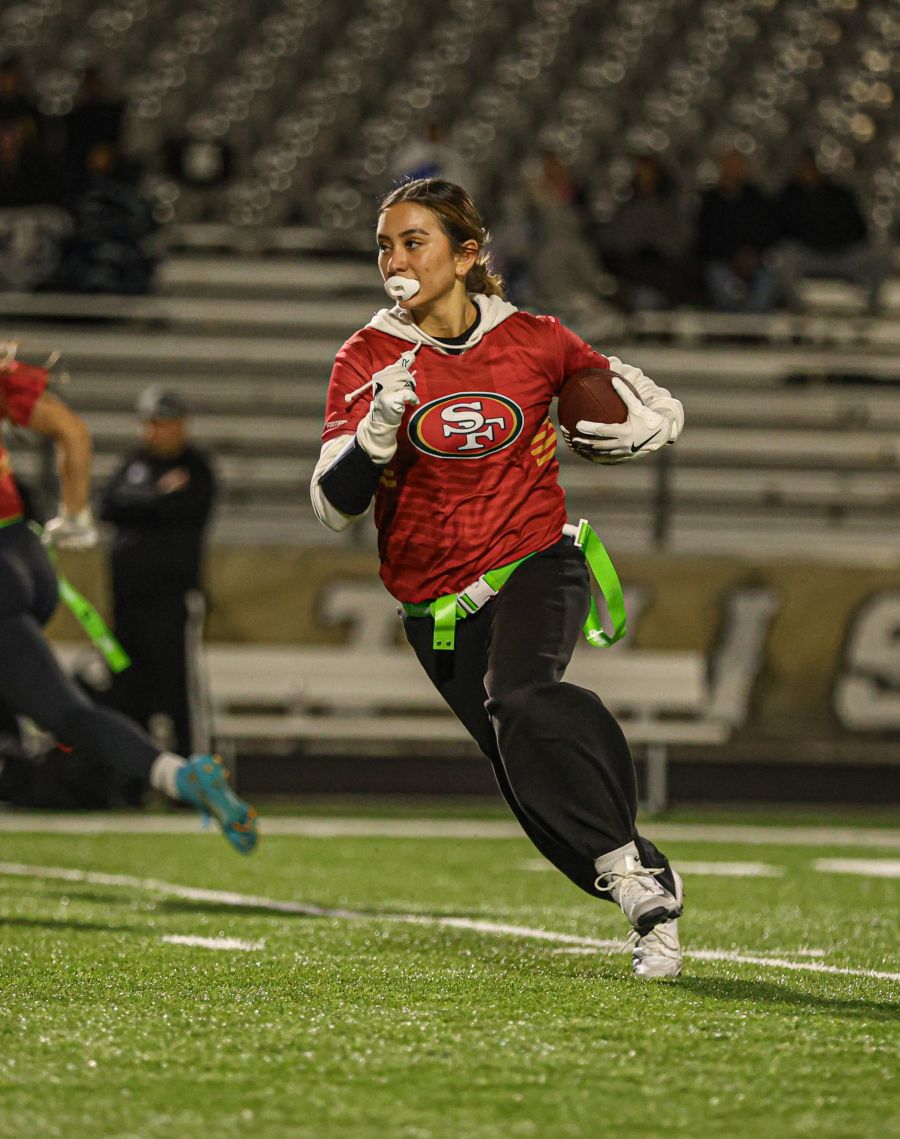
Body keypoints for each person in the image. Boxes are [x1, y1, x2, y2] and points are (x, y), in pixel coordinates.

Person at [310, 178, 686, 979]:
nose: (395, 259)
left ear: (468, 253)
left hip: (535, 558)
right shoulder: (366, 355)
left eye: (414, 241)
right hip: (433, 606)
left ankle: (636, 884)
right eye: (385, 244)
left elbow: (616, 392)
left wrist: (650, 419)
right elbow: (330, 507)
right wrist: (373, 440)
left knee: (520, 694)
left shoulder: (538, 339)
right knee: (521, 771)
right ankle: (640, 867)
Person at [0, 344, 257, 851]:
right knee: (70, 712)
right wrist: (74, 516)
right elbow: (72, 432)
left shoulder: (195, 468)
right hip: (24, 556)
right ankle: (177, 775)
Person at [100, 385, 216, 759]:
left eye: (164, 423)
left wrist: (140, 504)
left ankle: (190, 772)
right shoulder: (134, 462)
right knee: (126, 687)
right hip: (126, 601)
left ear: (181, 426)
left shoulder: (196, 468)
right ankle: (130, 777)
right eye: (150, 422)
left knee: (175, 688)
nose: (155, 431)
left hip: (170, 600)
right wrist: (156, 497)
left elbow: (181, 511)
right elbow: (107, 506)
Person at [775, 148, 890, 315]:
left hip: (843, 255)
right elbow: (781, 230)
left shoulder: (839, 194)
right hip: (810, 256)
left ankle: (872, 306)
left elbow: (859, 230)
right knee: (785, 254)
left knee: (881, 254)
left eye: (810, 167)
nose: (807, 172)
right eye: (803, 167)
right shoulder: (789, 196)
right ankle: (795, 307)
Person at [695, 148, 780, 313]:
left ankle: (755, 327)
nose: (733, 170)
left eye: (737, 166)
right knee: (716, 276)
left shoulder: (757, 198)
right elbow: (706, 238)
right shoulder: (710, 201)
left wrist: (752, 253)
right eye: (729, 166)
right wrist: (732, 257)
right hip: (722, 262)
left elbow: (769, 230)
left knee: (768, 279)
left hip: (755, 261)